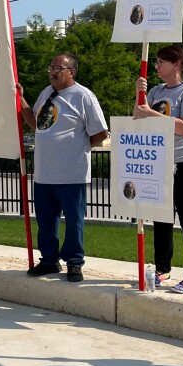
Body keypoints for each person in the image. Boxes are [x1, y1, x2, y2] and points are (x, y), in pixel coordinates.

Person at [18, 52, 108, 282]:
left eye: (58, 68)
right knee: (46, 220)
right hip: (45, 172)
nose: (52, 72)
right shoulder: (47, 93)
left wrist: (77, 147)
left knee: (74, 220)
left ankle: (74, 263)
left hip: (72, 172)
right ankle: (49, 260)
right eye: (51, 68)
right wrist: (21, 100)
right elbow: (36, 122)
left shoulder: (83, 96)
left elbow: (100, 132)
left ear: (71, 72)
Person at [134, 45, 183, 294]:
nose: (156, 67)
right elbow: (138, 117)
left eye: (161, 62)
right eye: (155, 62)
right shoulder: (155, 91)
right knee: (162, 217)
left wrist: (151, 113)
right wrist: (139, 96)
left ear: (176, 64)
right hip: (160, 160)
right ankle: (162, 269)